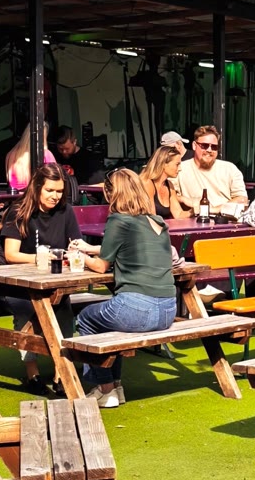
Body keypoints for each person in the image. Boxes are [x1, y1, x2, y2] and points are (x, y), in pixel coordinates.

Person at [75, 167, 179, 409]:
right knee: (113, 326)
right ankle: (116, 386)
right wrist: (90, 249)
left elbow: (101, 266)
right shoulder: (157, 222)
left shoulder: (118, 220)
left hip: (137, 309)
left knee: (86, 318)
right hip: (167, 310)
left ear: (111, 194)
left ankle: (105, 388)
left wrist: (79, 256)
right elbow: (128, 246)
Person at [0, 163, 86, 390]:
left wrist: (75, 251)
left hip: (54, 282)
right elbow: (10, 254)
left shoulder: (66, 211)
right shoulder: (19, 210)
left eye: (59, 191)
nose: (55, 196)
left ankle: (61, 371)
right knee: (27, 310)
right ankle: (32, 372)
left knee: (64, 310)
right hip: (20, 283)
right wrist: (41, 258)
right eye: (50, 190)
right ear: (37, 187)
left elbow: (76, 244)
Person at [173, 125, 247, 220]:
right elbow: (169, 197)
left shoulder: (229, 169)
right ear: (194, 145)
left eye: (214, 147)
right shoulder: (180, 169)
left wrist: (212, 209)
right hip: (195, 222)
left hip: (225, 222)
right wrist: (184, 200)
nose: (209, 150)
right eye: (204, 146)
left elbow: (242, 199)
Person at [141, 143, 191, 222]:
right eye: (177, 164)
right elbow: (152, 217)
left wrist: (195, 210)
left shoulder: (169, 185)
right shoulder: (147, 183)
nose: (180, 169)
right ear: (164, 164)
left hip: (163, 227)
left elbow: (178, 214)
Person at [5, 126, 57, 194]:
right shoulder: (46, 154)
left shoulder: (10, 154)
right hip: (34, 197)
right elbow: (55, 180)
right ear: (43, 137)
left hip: (14, 198)